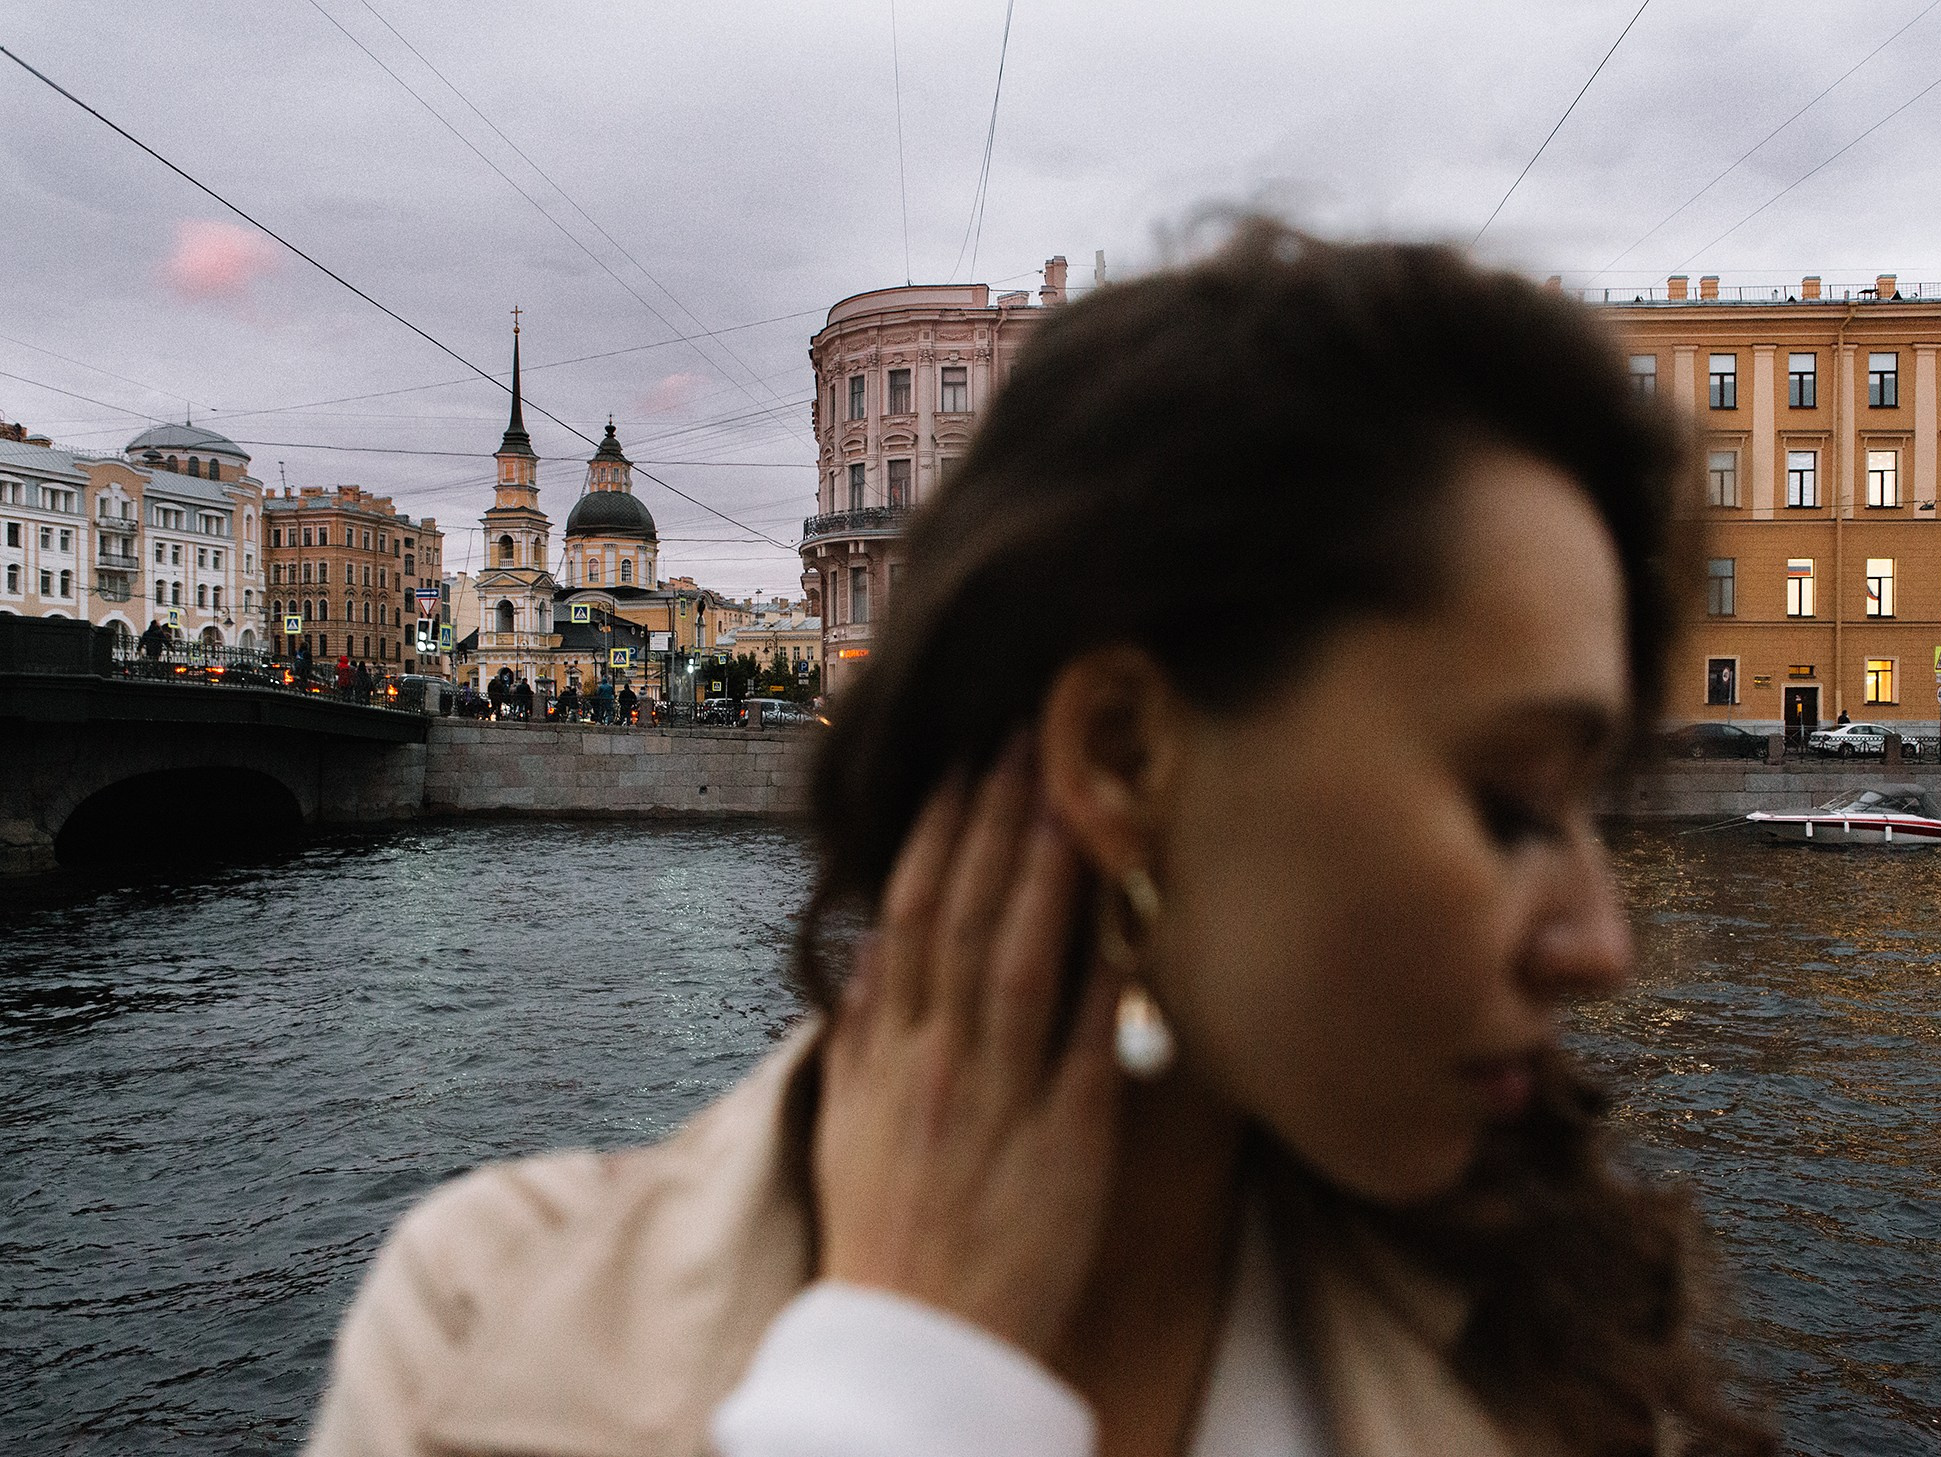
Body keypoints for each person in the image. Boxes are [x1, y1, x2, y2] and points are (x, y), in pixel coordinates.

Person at [304, 225, 1773, 1457]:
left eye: (1599, 807)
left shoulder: (1562, 1349)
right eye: (1514, 803)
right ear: (1125, 755)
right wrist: (901, 1392)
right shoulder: (483, 1325)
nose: (1605, 940)